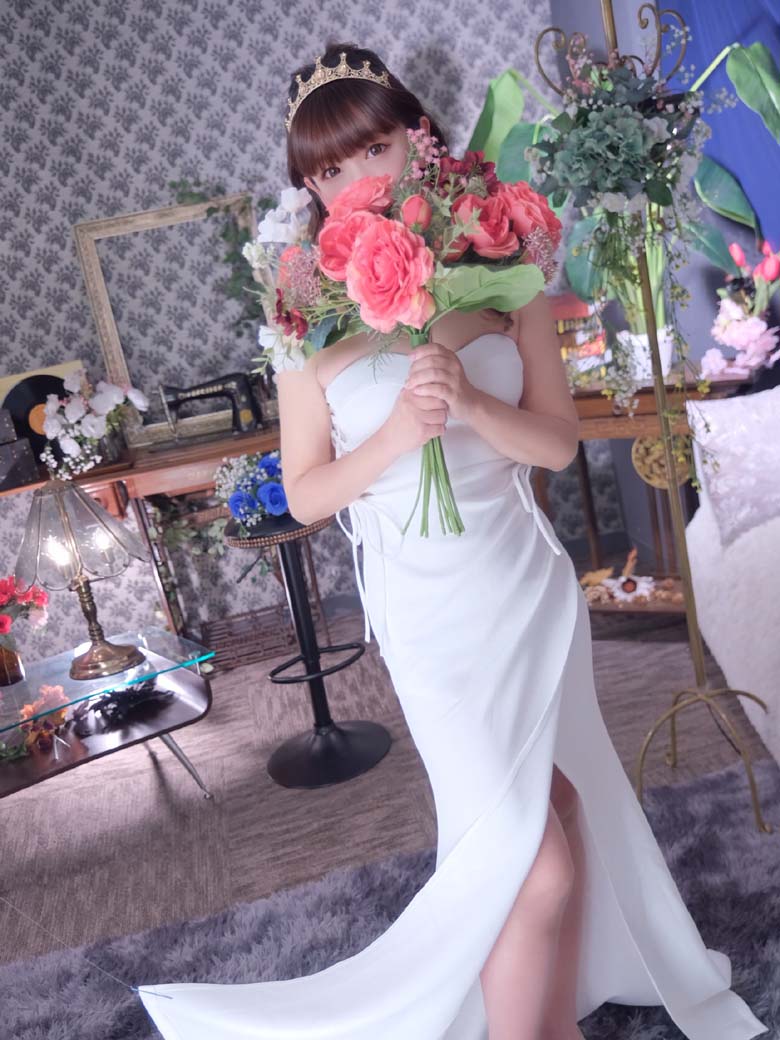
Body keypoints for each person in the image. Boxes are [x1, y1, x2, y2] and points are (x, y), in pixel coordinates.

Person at [138, 42, 768, 1040]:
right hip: (429, 613)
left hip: (525, 589)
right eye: (326, 171)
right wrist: (396, 436)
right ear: (308, 187)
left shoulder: (503, 275)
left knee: (558, 810)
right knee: (528, 856)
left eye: (373, 148)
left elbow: (556, 444)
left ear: (418, 140)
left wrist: (470, 403)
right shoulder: (302, 318)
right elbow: (304, 494)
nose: (354, 181)